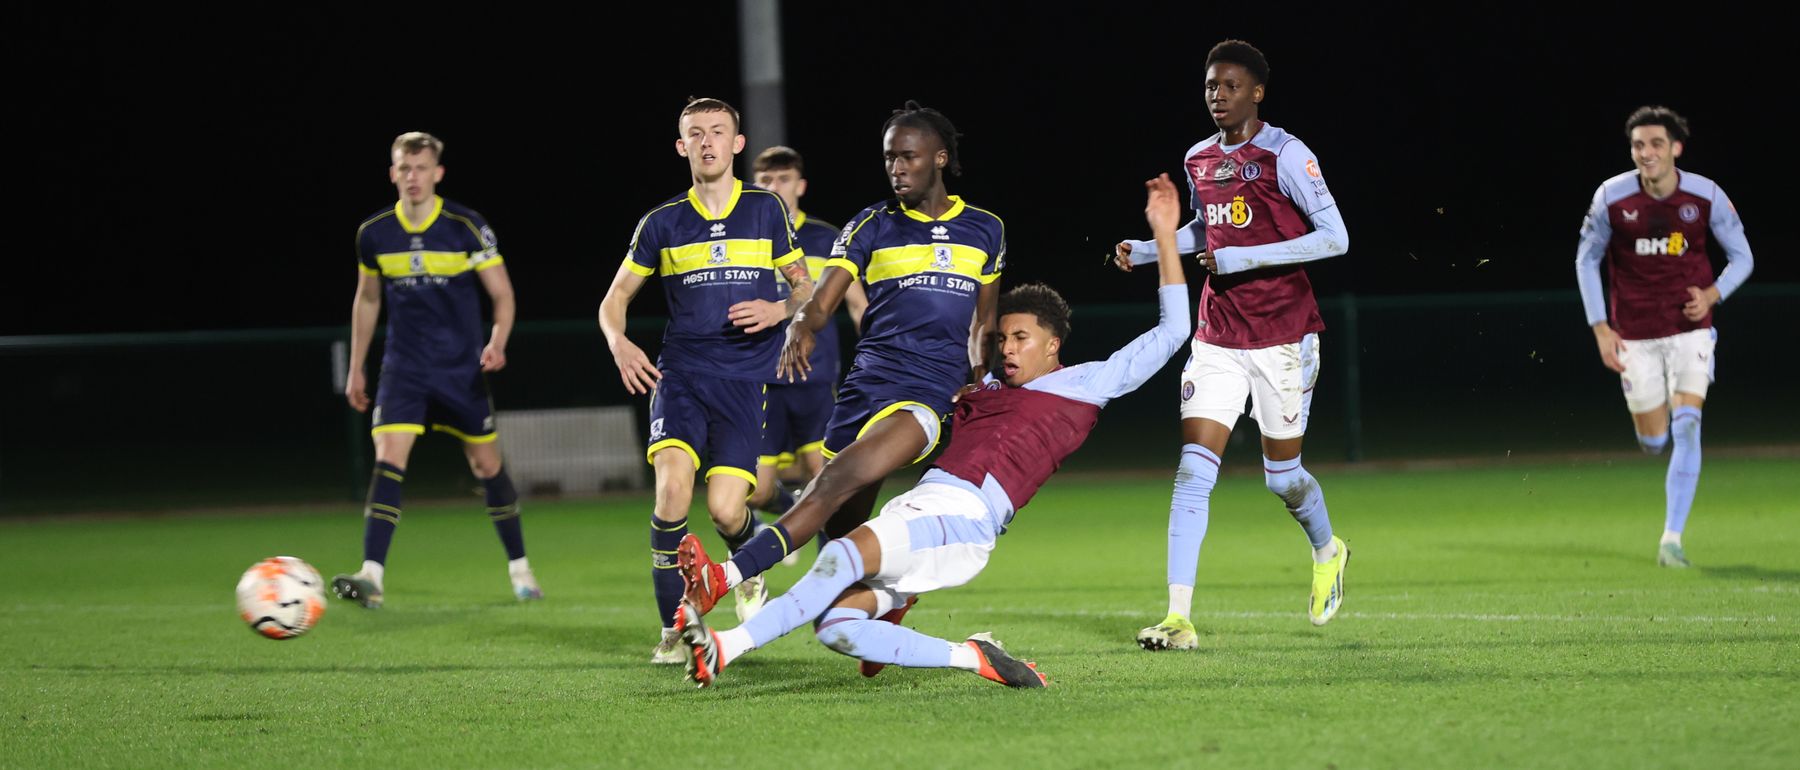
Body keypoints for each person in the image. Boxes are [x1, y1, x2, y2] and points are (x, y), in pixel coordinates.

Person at [673, 173, 1193, 688]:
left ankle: (726, 646)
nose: (1007, 348)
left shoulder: (1085, 384)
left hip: (964, 518)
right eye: (1003, 337)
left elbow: (1174, 332)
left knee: (838, 555)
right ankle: (973, 657)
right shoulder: (983, 386)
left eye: (1021, 338)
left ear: (1054, 344)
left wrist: (1165, 237)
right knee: (836, 628)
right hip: (923, 508)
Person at [678, 102, 1004, 621]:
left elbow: (984, 325)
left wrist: (982, 379)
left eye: (909, 157)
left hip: (928, 394)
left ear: (939, 158)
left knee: (830, 482)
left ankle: (726, 576)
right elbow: (824, 300)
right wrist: (802, 327)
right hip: (865, 389)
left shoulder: (985, 229)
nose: (897, 168)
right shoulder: (869, 225)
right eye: (889, 158)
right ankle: (888, 603)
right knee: (842, 542)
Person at [1112, 39, 1351, 650]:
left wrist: (1245, 257)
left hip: (1283, 337)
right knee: (1193, 471)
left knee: (1283, 478)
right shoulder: (1197, 159)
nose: (1218, 96)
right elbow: (1206, 230)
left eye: (1230, 86)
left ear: (1257, 92)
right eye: (1211, 87)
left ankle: (1328, 548)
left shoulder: (1287, 155)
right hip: (1217, 334)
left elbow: (1335, 238)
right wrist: (1147, 249)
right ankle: (1177, 616)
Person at [599, 98, 814, 663]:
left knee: (724, 510)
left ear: (737, 143)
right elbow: (614, 300)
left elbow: (804, 287)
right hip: (682, 376)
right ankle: (673, 630)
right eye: (696, 134)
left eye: (719, 131)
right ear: (682, 146)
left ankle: (744, 566)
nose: (708, 141)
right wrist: (619, 342)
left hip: (743, 382)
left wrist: (777, 309)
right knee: (672, 492)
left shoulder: (766, 210)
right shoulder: (662, 221)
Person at [334, 131, 539, 609]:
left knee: (486, 466)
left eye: (421, 168)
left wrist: (498, 340)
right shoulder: (374, 232)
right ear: (393, 173)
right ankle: (372, 575)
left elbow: (503, 293)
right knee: (388, 458)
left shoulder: (465, 226)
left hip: (460, 372)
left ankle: (520, 568)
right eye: (404, 168)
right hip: (403, 369)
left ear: (437, 173)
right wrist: (356, 368)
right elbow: (367, 298)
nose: (412, 177)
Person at [1574, 105, 1754, 568]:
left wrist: (1713, 294)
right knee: (1654, 442)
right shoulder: (1611, 197)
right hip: (1633, 335)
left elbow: (1743, 257)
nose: (1646, 152)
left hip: (1690, 330)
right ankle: (1655, 441)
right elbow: (1585, 260)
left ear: (1676, 147)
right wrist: (1600, 328)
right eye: (1638, 145)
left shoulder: (1705, 195)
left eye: (1656, 143)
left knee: (1688, 424)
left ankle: (1671, 539)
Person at [747, 146, 868, 518]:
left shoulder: (827, 237)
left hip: (814, 377)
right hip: (763, 378)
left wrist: (874, 364)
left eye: (783, 179)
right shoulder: (748, 240)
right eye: (766, 181)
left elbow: (857, 304)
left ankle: (827, 571)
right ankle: (793, 512)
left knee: (824, 476)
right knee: (755, 491)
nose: (775, 187)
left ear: (801, 186)